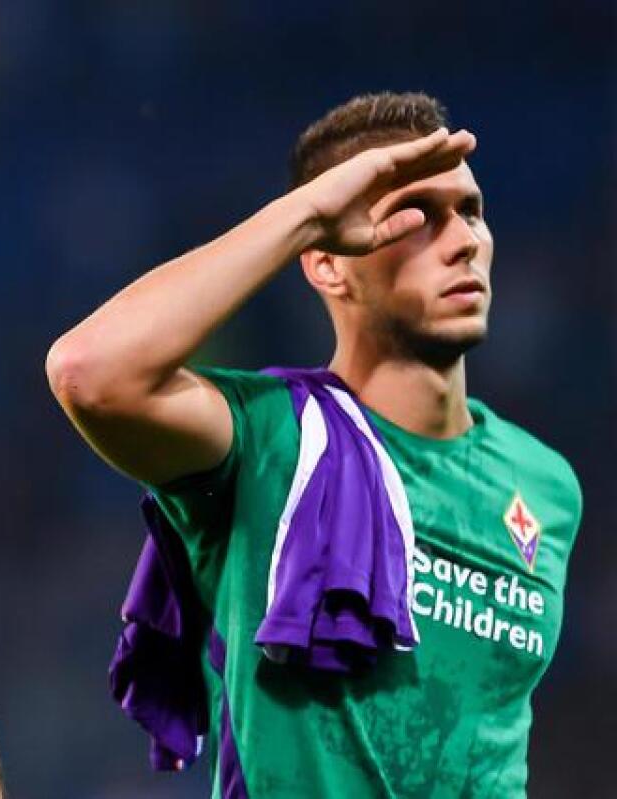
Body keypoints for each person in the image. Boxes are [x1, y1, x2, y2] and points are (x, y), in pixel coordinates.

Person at [46, 92, 582, 797]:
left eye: (472, 212)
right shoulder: (276, 438)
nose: (464, 242)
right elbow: (90, 372)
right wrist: (305, 216)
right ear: (328, 261)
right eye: (419, 217)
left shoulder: (543, 484)